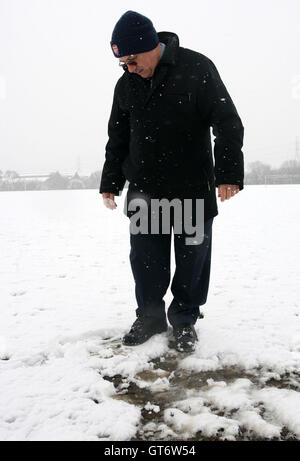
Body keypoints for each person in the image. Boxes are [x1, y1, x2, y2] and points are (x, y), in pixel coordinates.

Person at [99, 11, 244, 353]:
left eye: (133, 61)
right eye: (123, 64)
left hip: (191, 186)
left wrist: (228, 174)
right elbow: (117, 137)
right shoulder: (127, 83)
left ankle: (184, 321)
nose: (129, 69)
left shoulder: (197, 69)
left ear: (151, 46)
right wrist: (111, 180)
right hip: (145, 189)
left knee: (192, 260)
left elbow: (227, 122)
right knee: (146, 260)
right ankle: (150, 317)